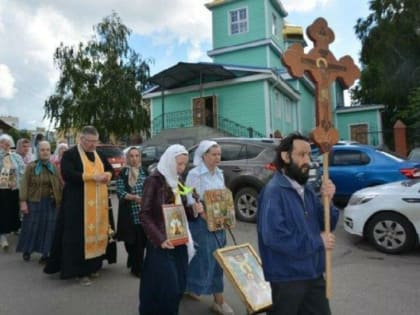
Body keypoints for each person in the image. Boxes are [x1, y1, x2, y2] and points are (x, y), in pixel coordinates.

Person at [257, 133, 339, 315]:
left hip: (313, 272)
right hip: (288, 277)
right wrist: (318, 241)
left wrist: (328, 201)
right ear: (285, 157)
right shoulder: (274, 192)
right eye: (302, 155)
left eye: (309, 155)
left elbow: (327, 225)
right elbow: (274, 238)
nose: (308, 161)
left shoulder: (307, 190)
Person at [44, 126, 115, 286]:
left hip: (98, 205)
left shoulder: (99, 154)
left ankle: (94, 266)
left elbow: (110, 170)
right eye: (90, 141)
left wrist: (107, 176)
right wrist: (92, 177)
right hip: (78, 205)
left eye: (95, 141)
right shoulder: (70, 154)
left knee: (97, 234)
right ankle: (79, 271)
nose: (93, 145)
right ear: (81, 139)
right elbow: (67, 174)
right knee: (78, 238)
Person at [139, 144, 203, 315]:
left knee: (179, 285)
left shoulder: (178, 181)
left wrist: (193, 210)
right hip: (161, 244)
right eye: (179, 164)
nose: (182, 169)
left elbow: (179, 210)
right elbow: (144, 215)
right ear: (169, 161)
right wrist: (159, 239)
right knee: (168, 287)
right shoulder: (153, 181)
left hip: (179, 240)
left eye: (184, 164)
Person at [184, 140, 234, 315]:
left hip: (218, 224)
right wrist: (206, 217)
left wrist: (226, 217)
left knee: (218, 260)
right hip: (201, 225)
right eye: (213, 154)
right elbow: (191, 200)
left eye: (219, 154)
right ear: (204, 155)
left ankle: (218, 301)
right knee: (201, 260)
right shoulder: (195, 174)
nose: (217, 157)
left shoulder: (219, 173)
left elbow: (223, 196)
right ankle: (189, 287)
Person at [16, 141, 62, 263]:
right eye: (42, 150)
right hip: (34, 202)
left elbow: (60, 185)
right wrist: (23, 202)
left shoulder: (54, 167)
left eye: (47, 149)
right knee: (31, 226)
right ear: (38, 152)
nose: (45, 152)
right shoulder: (31, 167)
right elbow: (24, 184)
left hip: (51, 202)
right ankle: (27, 250)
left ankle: (45, 253)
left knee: (49, 228)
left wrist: (62, 200)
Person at [115, 146, 148, 278]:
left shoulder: (145, 172)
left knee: (141, 243)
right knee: (131, 243)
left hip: (144, 214)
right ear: (127, 158)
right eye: (131, 156)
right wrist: (134, 198)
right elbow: (120, 192)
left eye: (137, 156)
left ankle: (137, 267)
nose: (134, 159)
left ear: (140, 157)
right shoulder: (123, 173)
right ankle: (134, 263)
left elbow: (151, 189)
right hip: (129, 214)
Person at [0, 134, 25, 250]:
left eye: (7, 143)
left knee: (14, 210)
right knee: (2, 212)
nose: (5, 145)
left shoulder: (16, 156)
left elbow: (22, 170)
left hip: (15, 188)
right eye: (3, 143)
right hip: (2, 189)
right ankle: (3, 236)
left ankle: (14, 229)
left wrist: (17, 180)